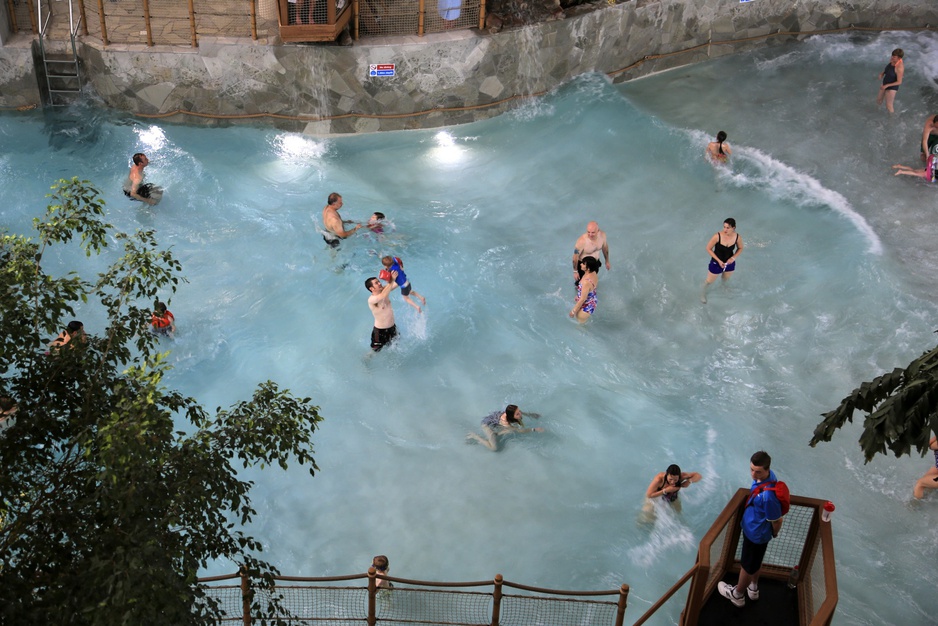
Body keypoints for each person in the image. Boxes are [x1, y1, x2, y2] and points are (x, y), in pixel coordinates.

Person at [718, 451, 783, 608]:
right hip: (756, 531)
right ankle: (753, 588)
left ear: (767, 469)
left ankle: (737, 594)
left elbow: (777, 519)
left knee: (747, 565)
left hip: (756, 534)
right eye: (752, 470)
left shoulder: (768, 496)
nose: (753, 474)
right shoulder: (767, 478)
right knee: (755, 561)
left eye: (758, 471)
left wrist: (774, 532)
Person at [466, 404, 543, 451]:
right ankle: (475, 436)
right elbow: (520, 431)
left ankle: (497, 433)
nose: (520, 414)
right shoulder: (505, 423)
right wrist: (534, 429)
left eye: (519, 412)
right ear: (511, 416)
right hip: (486, 425)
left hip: (495, 421)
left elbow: (519, 413)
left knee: (509, 431)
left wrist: (530, 415)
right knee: (494, 448)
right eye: (517, 414)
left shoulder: (512, 411)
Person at [701, 218, 743, 303]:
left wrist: (733, 258)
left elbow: (740, 248)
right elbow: (708, 248)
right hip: (716, 262)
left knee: (725, 279)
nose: (725, 229)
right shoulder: (717, 236)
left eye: (728, 228)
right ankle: (702, 293)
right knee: (709, 281)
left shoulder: (737, 237)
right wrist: (719, 261)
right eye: (724, 227)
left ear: (733, 228)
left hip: (729, 263)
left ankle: (724, 288)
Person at [365, 276, 399, 352]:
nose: (380, 283)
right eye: (376, 283)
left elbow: (397, 283)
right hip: (380, 331)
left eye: (379, 281)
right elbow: (382, 295)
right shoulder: (372, 300)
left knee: (395, 346)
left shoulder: (384, 290)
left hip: (392, 328)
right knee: (374, 352)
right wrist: (392, 279)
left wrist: (400, 270)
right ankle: (365, 362)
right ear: (371, 288)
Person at [572, 221, 610, 286]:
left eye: (593, 232)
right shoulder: (582, 241)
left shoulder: (602, 236)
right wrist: (575, 271)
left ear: (598, 231)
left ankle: (591, 292)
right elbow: (575, 256)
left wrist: (607, 261)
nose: (590, 234)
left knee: (592, 281)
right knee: (581, 284)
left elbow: (605, 248)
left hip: (595, 263)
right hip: (584, 265)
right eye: (588, 232)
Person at [569, 256, 599, 323]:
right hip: (592, 300)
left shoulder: (586, 282)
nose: (580, 264)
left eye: (583, 263)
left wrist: (573, 311)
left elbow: (583, 299)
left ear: (588, 268)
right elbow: (591, 288)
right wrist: (579, 295)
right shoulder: (594, 273)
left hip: (586, 307)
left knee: (580, 326)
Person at [876, 48, 904, 114]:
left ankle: (891, 120)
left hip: (892, 87)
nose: (892, 57)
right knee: (878, 100)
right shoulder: (892, 61)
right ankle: (877, 113)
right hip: (885, 83)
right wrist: (882, 74)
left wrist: (887, 85)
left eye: (894, 57)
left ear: (899, 58)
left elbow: (899, 82)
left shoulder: (899, 67)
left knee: (889, 106)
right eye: (892, 56)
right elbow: (888, 70)